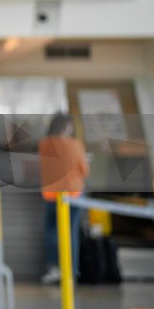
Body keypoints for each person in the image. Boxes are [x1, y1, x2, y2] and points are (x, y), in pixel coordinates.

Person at [38, 112, 90, 285]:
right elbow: (84, 170)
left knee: (52, 232)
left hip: (52, 194)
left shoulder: (44, 144)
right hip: (73, 195)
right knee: (70, 232)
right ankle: (71, 271)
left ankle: (53, 268)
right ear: (67, 126)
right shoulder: (75, 144)